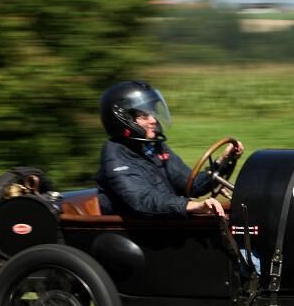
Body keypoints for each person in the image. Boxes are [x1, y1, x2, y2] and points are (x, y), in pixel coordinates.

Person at [94, 80, 243, 219]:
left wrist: (223, 161)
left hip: (164, 226)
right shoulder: (115, 156)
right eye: (143, 116)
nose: (153, 120)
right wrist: (189, 205)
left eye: (152, 113)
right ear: (124, 120)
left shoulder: (153, 147)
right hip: (137, 233)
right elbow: (142, 199)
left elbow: (191, 185)